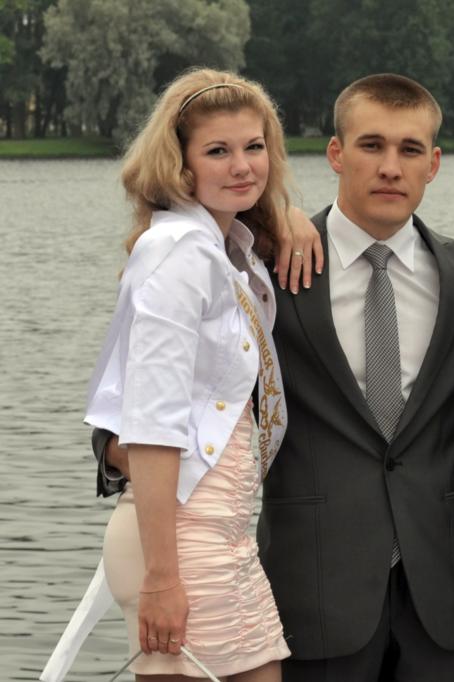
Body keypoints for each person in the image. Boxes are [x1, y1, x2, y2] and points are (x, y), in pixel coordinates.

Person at [99, 73, 454, 681]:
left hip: (444, 599)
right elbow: (154, 391)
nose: (390, 167)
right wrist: (116, 452)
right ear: (335, 153)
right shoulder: (259, 265)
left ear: (433, 164)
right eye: (370, 145)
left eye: (410, 150)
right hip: (310, 592)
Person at [82, 68, 295, 679]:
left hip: (224, 534)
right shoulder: (178, 252)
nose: (242, 166)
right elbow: (152, 422)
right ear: (180, 165)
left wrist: (292, 217)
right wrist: (161, 578)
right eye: (218, 151)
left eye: (254, 146)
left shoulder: (226, 250)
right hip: (180, 544)